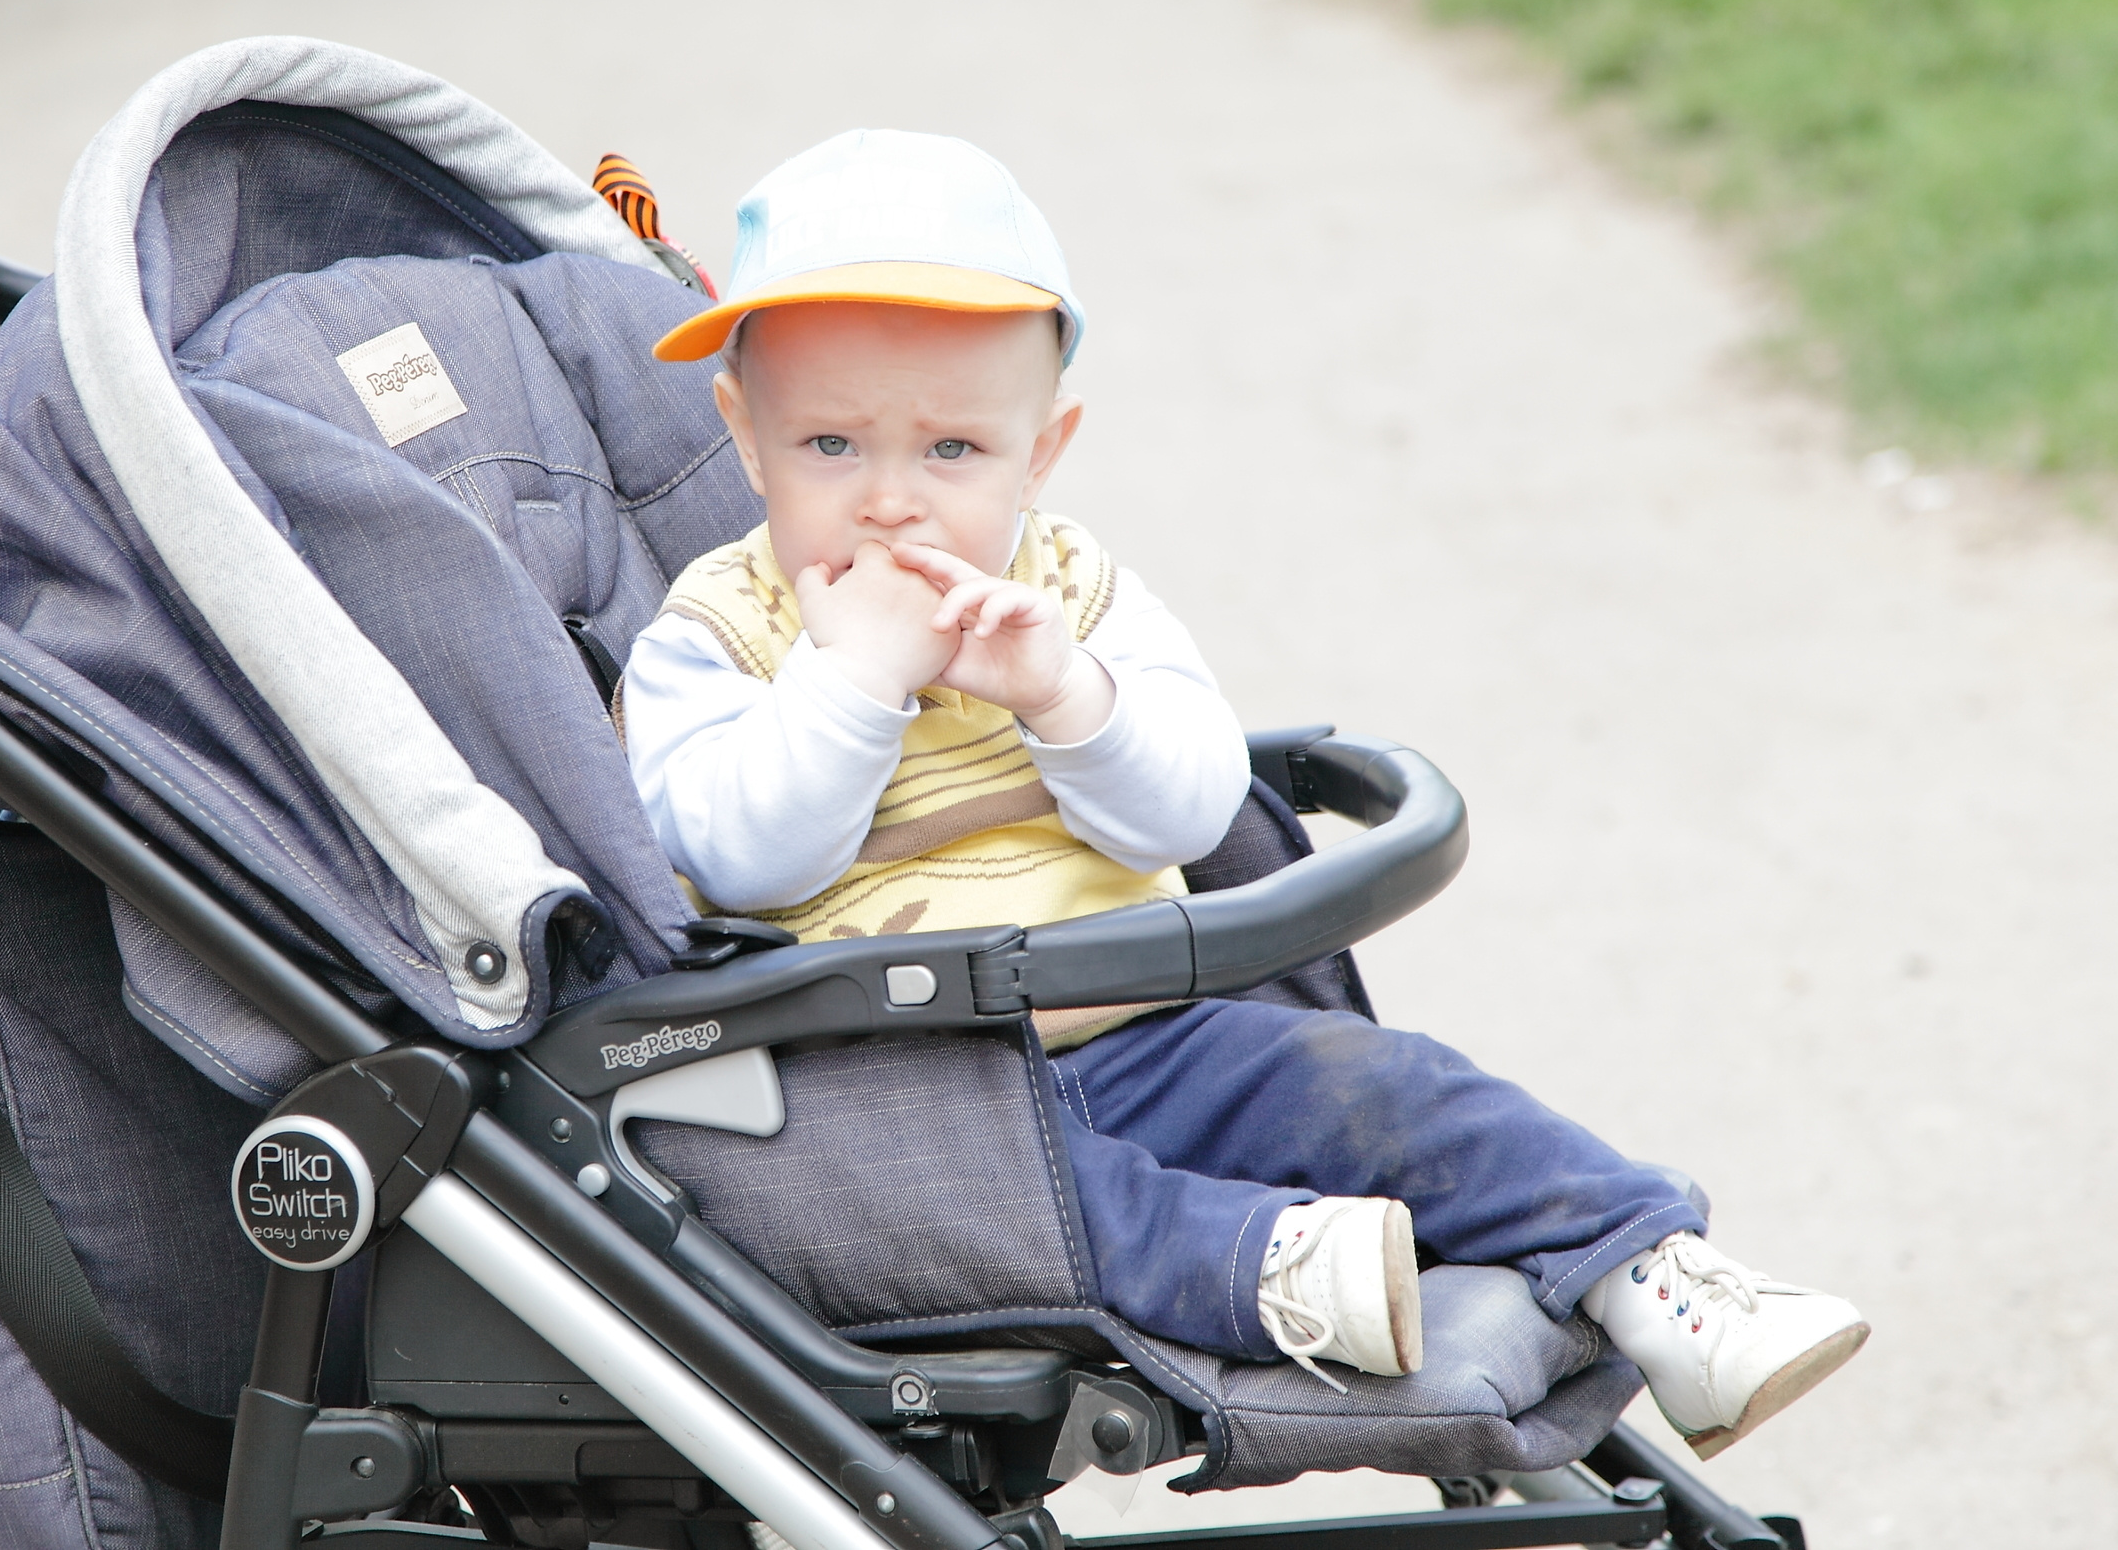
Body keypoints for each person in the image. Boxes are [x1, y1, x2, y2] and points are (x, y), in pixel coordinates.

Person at [621, 129, 1866, 1458]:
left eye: (952, 453)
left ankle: (1652, 1269)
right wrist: (852, 681)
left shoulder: (1076, 595)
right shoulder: (716, 638)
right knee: (1071, 1219)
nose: (890, 506)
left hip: (1153, 1034)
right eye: (829, 445)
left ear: (1042, 452)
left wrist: (1067, 698)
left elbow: (1185, 812)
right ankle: (1287, 1269)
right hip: (900, 1106)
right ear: (745, 442)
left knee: (1391, 1089)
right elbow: (739, 855)